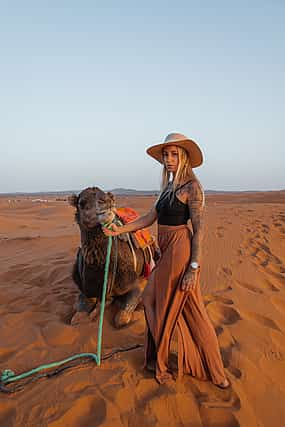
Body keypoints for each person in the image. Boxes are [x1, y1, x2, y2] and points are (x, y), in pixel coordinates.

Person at [103, 132, 230, 389]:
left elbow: (200, 229)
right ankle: (156, 357)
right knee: (153, 301)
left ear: (183, 157)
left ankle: (215, 371)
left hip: (180, 251)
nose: (169, 160)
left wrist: (194, 267)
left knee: (190, 310)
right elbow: (149, 218)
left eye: (174, 154)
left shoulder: (192, 188)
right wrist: (119, 230)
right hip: (165, 252)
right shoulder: (167, 189)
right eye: (166, 155)